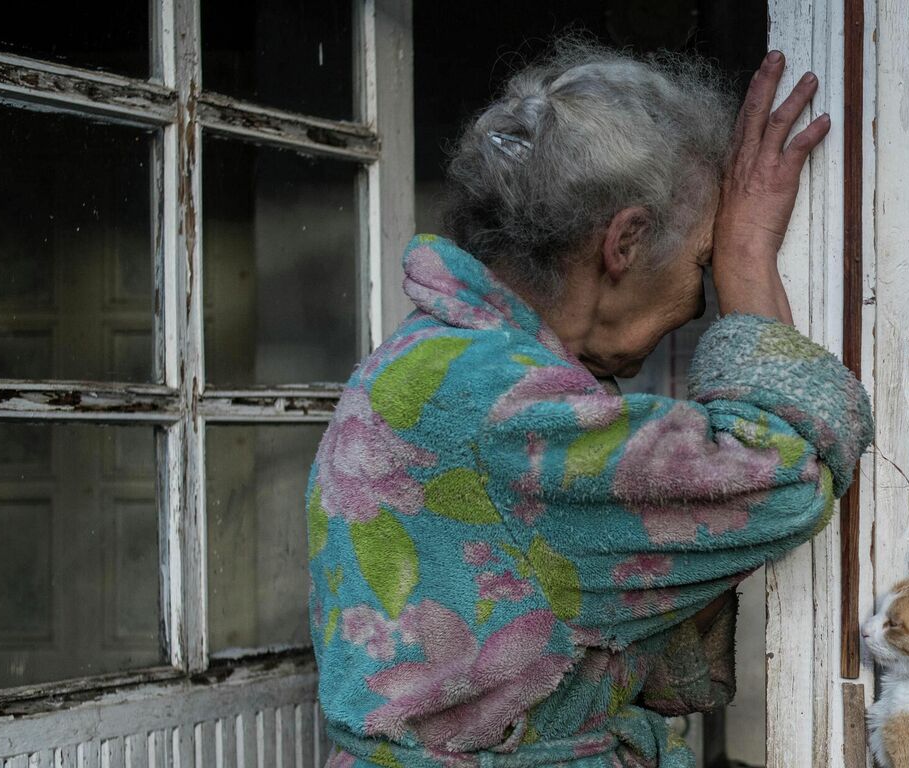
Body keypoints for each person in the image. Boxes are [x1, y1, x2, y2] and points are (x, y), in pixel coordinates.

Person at [306, 39, 873, 768]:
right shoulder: (505, 405)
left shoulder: (430, 363)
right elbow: (785, 472)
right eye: (705, 260)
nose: (703, 298)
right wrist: (751, 259)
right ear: (626, 241)